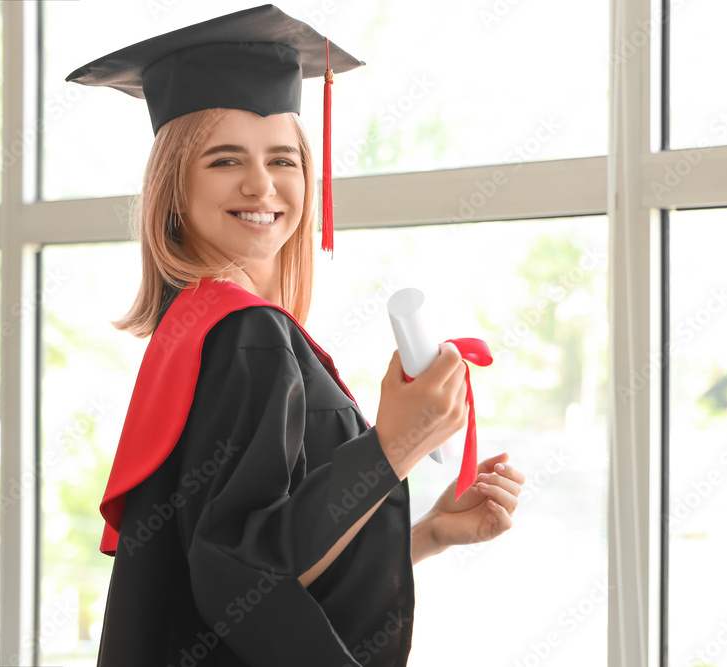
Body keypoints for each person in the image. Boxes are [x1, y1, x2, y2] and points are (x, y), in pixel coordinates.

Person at [66, 5, 526, 666]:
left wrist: (426, 534)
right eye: (225, 160)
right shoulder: (246, 335)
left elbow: (261, 569)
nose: (262, 183)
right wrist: (394, 446)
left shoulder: (200, 323)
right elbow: (240, 570)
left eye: (283, 158)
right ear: (173, 190)